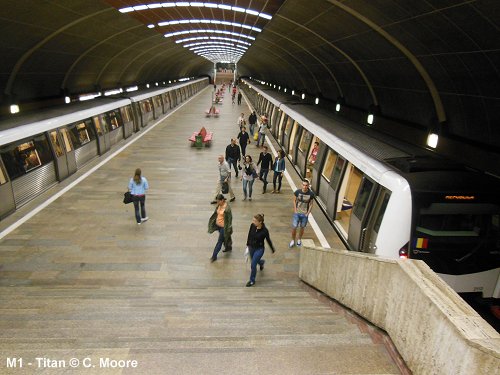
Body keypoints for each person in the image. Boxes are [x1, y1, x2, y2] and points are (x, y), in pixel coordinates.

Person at [245, 213, 275, 287]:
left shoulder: (264, 231)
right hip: (251, 247)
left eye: (255, 221)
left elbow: (268, 240)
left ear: (260, 222)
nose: (253, 222)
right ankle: (261, 263)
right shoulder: (252, 226)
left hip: (259, 249)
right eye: (253, 220)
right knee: (255, 260)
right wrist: (248, 244)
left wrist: (272, 248)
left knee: (253, 264)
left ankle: (252, 280)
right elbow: (249, 235)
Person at [290, 179, 315, 248]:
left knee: (302, 227)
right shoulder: (297, 192)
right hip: (297, 213)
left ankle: (299, 239)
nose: (304, 187)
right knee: (294, 227)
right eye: (303, 185)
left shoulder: (311, 194)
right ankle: (292, 240)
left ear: (308, 186)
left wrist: (308, 213)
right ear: (301, 185)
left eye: (306, 185)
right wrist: (295, 210)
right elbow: (294, 200)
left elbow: (311, 204)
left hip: (304, 214)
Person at [208, 194, 233, 262]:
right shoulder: (219, 205)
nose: (218, 203)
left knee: (219, 241)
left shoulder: (227, 208)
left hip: (223, 227)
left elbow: (230, 219)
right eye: (217, 201)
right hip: (218, 226)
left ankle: (214, 256)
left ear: (222, 200)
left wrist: (228, 228)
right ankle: (228, 246)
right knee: (225, 237)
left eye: (219, 201)